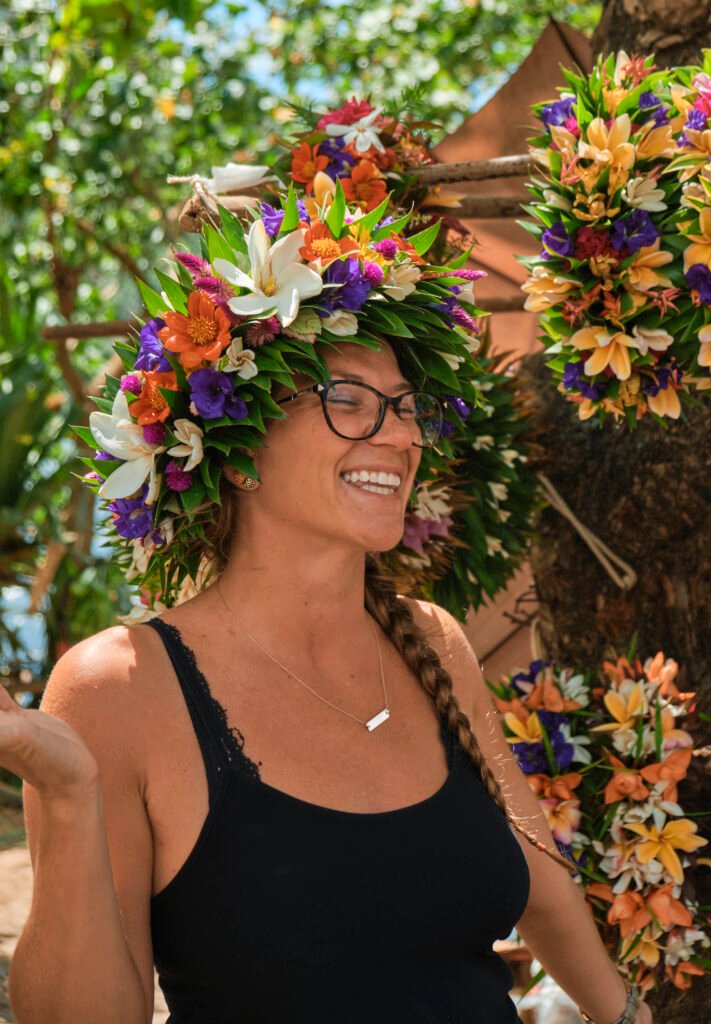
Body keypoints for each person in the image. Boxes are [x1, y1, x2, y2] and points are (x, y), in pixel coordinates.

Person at [1, 195, 652, 1024]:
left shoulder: (432, 640)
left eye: (406, 404)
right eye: (348, 398)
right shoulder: (118, 687)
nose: (399, 434)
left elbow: (543, 887)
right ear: (233, 451)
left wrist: (627, 1017)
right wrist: (65, 796)